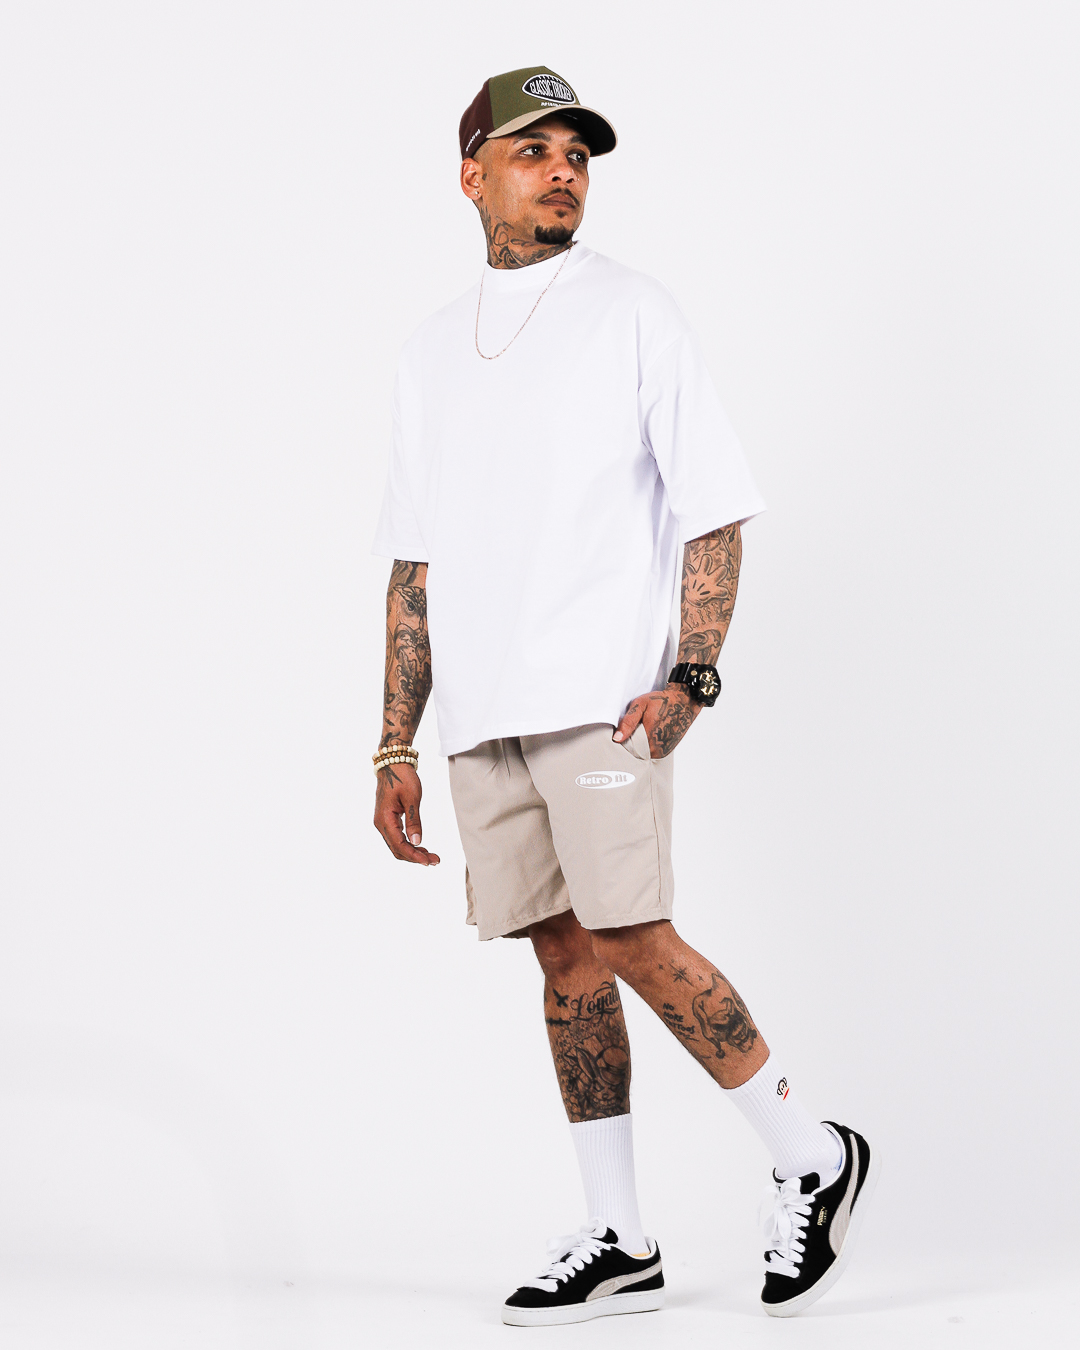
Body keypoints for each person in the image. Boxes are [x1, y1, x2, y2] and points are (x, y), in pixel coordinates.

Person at [372, 65, 878, 1327]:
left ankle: (810, 1154)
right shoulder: (430, 351)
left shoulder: (633, 311)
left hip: (602, 704)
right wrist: (393, 743)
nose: (564, 172)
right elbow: (413, 563)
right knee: (561, 959)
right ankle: (620, 1236)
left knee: (633, 936)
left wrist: (691, 675)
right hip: (482, 715)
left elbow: (714, 509)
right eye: (534, 151)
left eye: (578, 155)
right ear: (472, 174)